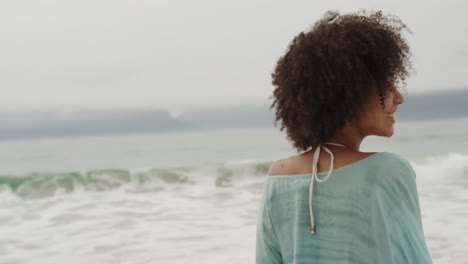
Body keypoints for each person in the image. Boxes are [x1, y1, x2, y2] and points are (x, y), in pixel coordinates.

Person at [255, 10, 433, 263]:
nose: (399, 97)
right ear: (351, 91)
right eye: (387, 85)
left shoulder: (278, 178)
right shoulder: (388, 171)